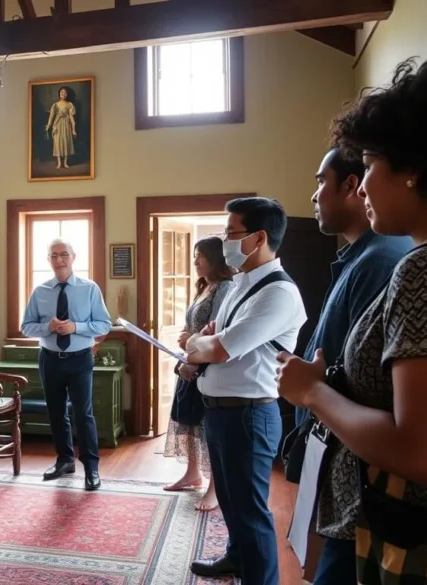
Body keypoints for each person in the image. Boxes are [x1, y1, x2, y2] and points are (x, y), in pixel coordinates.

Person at [277, 53, 427, 585]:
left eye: (371, 164)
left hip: (407, 540)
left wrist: (312, 393)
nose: (362, 186)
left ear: (414, 169)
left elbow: (424, 454)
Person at [295, 148, 413, 585]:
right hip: (342, 459)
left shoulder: (383, 260)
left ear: (351, 185)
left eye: (320, 182)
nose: (314, 196)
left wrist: (311, 389)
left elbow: (370, 383)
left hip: (363, 479)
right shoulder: (360, 256)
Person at [185, 197, 307, 584]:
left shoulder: (278, 293)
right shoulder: (240, 284)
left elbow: (218, 347)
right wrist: (203, 345)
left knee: (251, 512)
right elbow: (211, 338)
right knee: (232, 501)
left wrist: (200, 344)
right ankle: (236, 558)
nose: (225, 242)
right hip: (221, 410)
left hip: (249, 414)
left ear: (259, 238)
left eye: (231, 233)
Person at [21, 238, 111, 491]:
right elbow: (26, 327)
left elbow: (104, 324)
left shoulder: (89, 288)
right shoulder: (40, 291)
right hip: (49, 360)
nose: (59, 260)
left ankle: (91, 468)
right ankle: (64, 460)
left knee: (83, 413)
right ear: (48, 260)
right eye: (54, 255)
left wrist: (76, 327)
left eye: (64, 255)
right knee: (56, 413)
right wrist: (47, 327)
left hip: (79, 359)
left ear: (73, 257)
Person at [163, 236, 235, 512]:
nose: (195, 261)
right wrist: (185, 340)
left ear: (215, 259)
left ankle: (215, 488)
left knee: (207, 428)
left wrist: (191, 350)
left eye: (200, 256)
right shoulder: (204, 287)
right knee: (189, 422)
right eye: (195, 256)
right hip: (190, 362)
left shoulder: (225, 287)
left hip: (206, 366)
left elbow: (217, 330)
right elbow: (191, 325)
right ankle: (192, 474)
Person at [44, 86, 77, 169]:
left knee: (66, 142)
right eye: (62, 92)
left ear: (67, 94)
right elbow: (51, 117)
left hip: (66, 125)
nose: (63, 94)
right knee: (57, 143)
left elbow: (72, 118)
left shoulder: (69, 105)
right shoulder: (55, 105)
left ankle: (65, 163)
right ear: (59, 94)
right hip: (57, 125)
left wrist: (73, 129)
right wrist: (48, 125)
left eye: (65, 93)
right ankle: (59, 163)